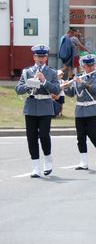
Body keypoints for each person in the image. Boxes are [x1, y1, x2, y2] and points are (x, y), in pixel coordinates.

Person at [15, 45, 61, 178]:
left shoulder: (52, 72)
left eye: (43, 57)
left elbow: (56, 90)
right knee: (31, 137)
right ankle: (35, 167)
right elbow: (18, 89)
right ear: (34, 57)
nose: (40, 59)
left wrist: (44, 81)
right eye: (38, 57)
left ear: (46, 58)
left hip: (45, 106)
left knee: (44, 135)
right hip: (30, 106)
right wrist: (28, 84)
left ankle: (48, 160)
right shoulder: (27, 71)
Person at [64, 54, 96, 171]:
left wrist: (83, 83)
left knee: (93, 134)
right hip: (80, 110)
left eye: (92, 65)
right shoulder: (78, 77)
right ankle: (84, 162)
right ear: (83, 66)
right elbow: (72, 93)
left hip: (92, 110)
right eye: (88, 65)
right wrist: (66, 87)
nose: (90, 67)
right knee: (80, 137)